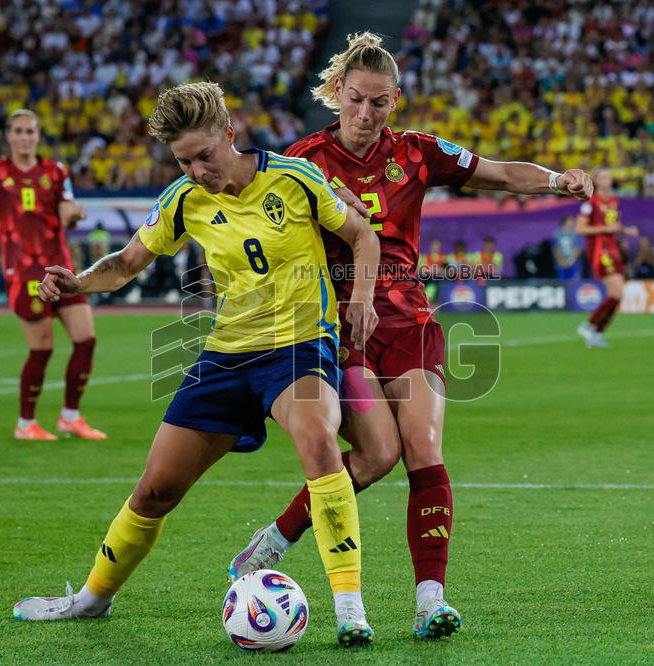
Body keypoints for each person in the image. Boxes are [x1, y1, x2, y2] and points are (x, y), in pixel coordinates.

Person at [225, 32, 594, 640]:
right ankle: (276, 539)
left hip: (411, 326)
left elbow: (499, 172)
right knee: (376, 456)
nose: (365, 114)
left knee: (423, 446)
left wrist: (558, 180)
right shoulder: (303, 162)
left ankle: (430, 602)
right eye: (355, 100)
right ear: (337, 92)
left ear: (395, 101)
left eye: (379, 102)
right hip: (342, 331)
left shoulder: (417, 153)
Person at [11, 82, 383, 647]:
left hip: (299, 346)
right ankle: (90, 600)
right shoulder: (184, 198)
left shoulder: (294, 178)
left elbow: (361, 235)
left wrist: (362, 298)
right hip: (227, 354)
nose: (197, 171)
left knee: (318, 442)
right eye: (183, 161)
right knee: (155, 491)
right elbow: (128, 263)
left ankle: (350, 610)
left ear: (229, 134)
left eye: (204, 156)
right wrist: (78, 282)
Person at [0, 109, 106, 441]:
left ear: (38, 136)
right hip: (23, 273)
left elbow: (65, 214)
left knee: (86, 340)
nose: (25, 137)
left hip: (61, 269)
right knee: (42, 348)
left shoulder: (55, 171)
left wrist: (74, 216)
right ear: (9, 136)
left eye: (30, 131)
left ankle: (70, 417)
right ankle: (26, 424)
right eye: (19, 131)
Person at [575, 168, 638, 348]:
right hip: (599, 251)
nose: (607, 179)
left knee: (618, 296)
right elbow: (579, 229)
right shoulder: (590, 203)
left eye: (608, 177)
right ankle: (588, 325)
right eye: (603, 177)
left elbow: (613, 225)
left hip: (612, 249)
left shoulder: (613, 201)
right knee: (617, 293)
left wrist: (626, 230)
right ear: (596, 181)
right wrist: (605, 229)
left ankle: (596, 333)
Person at [552, 215, 583, 280]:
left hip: (573, 263)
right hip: (561, 263)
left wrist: (572, 260)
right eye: (570, 221)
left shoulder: (574, 233)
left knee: (574, 281)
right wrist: (561, 260)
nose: (572, 223)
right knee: (563, 282)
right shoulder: (557, 234)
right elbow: (555, 249)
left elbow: (578, 248)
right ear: (565, 222)